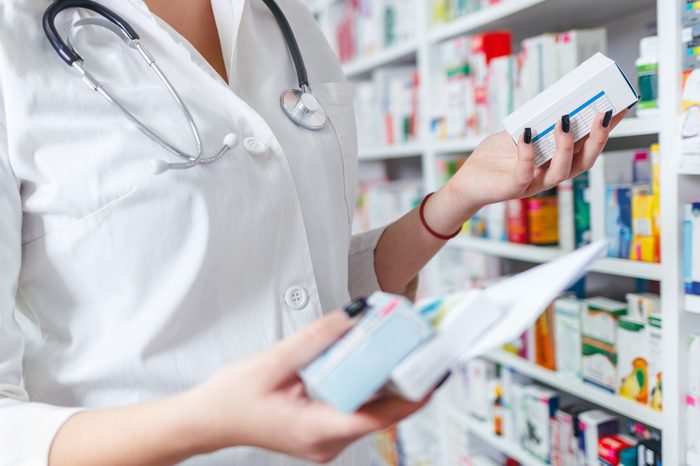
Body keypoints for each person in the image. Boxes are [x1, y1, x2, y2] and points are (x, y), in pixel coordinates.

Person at [0, 0, 627, 464]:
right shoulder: (14, 42)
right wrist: (208, 421)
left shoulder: (289, 25)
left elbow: (312, 283)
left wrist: (459, 197)